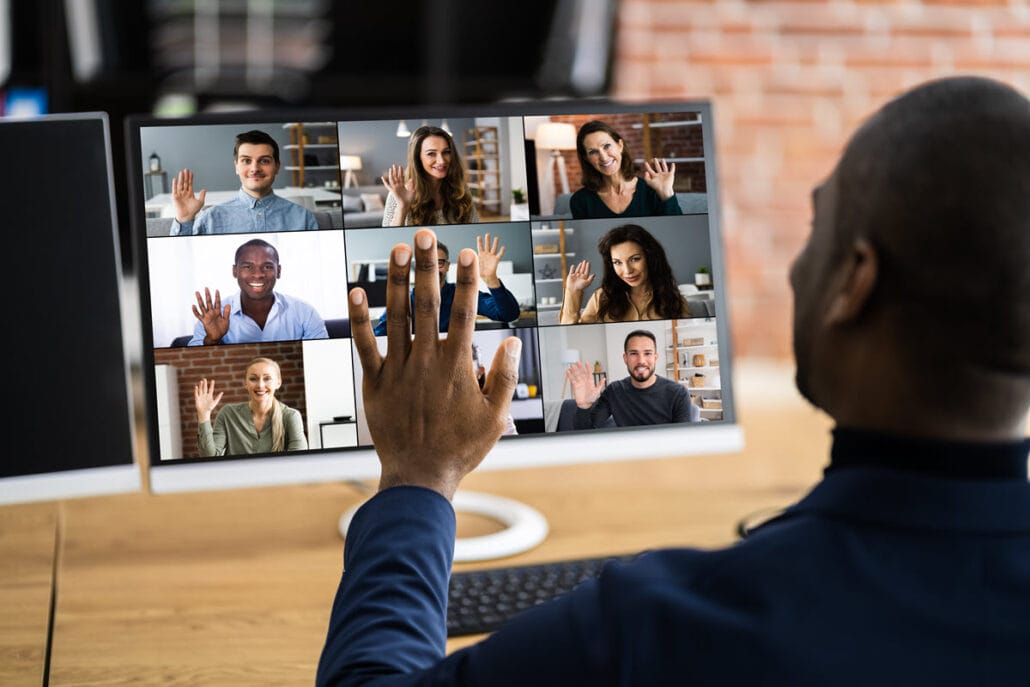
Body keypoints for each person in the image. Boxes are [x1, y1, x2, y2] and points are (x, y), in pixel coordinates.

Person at [317, 77, 1030, 685]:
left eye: (818, 227)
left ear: (856, 282)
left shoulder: (663, 624)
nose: (793, 266)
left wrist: (417, 472)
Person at [169, 129, 319, 236]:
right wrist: (184, 220)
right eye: (246, 161)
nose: (255, 168)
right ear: (236, 167)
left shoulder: (304, 218)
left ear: (277, 167)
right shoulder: (209, 219)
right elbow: (181, 262)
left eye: (264, 161)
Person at [188, 238, 328, 345]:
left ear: (278, 271)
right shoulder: (212, 317)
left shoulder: (304, 312)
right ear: (234, 271)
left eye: (267, 267)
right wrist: (212, 340)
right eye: (248, 267)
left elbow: (324, 356)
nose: (258, 274)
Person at [372, 235, 520, 335]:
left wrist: (491, 279)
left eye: (439, 263)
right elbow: (379, 337)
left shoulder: (464, 294)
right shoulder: (402, 302)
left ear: (448, 266)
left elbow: (509, 314)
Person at [559, 223, 690, 324]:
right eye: (617, 262)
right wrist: (573, 292)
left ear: (651, 257)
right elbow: (571, 336)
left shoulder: (675, 301)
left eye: (634, 259)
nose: (627, 271)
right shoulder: (601, 298)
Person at [566, 329, 695, 429]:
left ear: (655, 357)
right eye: (634, 354)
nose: (641, 361)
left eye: (647, 353)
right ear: (625, 358)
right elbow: (586, 431)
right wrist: (584, 406)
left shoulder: (678, 393)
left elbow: (684, 442)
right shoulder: (614, 391)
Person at [568, 119, 683, 220]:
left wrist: (666, 193)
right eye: (593, 152)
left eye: (607, 146)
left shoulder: (653, 191)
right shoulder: (580, 201)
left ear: (620, 146)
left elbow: (679, 231)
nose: (603, 157)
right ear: (587, 159)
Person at [193, 357, 308, 457]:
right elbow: (210, 457)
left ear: (278, 383)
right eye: (253, 379)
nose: (260, 385)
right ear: (246, 384)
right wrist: (203, 416)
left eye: (267, 378)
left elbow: (298, 461)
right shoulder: (228, 414)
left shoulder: (290, 416)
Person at [381, 125, 480, 226]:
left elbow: (476, 227)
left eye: (446, 152)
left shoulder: (461, 190)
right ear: (418, 158)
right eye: (431, 154)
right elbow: (389, 240)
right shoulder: (398, 195)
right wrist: (403, 207)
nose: (441, 161)